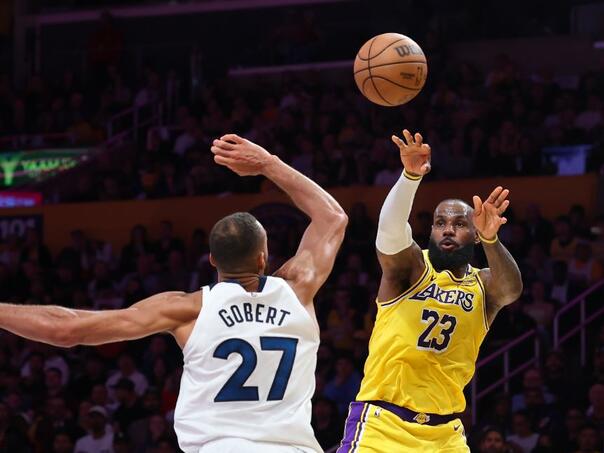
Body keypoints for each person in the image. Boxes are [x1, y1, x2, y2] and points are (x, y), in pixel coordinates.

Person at [0, 134, 348, 453]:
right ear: (263, 258)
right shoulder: (297, 288)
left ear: (212, 260)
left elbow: (66, 329)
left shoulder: (187, 309)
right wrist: (267, 163)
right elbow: (332, 217)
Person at [337, 129, 523, 452]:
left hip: (445, 433)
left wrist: (492, 239)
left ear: (475, 235)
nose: (448, 229)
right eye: (440, 223)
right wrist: (409, 177)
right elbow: (389, 232)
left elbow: (512, 289)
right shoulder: (412, 269)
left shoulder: (484, 285)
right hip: (384, 424)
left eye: (460, 224)